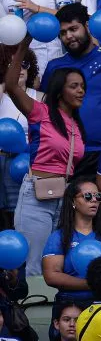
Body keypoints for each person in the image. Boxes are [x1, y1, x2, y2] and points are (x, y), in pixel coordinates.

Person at [7, 34, 84, 278]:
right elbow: (10, 86)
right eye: (74, 86)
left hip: (64, 200)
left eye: (83, 86)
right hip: (37, 196)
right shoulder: (39, 111)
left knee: (56, 265)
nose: (81, 90)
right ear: (59, 90)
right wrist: (23, 47)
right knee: (33, 267)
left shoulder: (75, 123)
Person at [44, 3, 101, 176]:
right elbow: (46, 107)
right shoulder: (54, 67)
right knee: (74, 203)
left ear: (87, 26)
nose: (69, 36)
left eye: (73, 29)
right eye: (63, 33)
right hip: (70, 152)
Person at [42, 178, 101, 337]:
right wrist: (91, 284)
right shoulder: (59, 237)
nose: (94, 200)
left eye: (98, 197)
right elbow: (51, 276)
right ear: (73, 201)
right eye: (88, 196)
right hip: (68, 307)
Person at [0, 45, 41, 229]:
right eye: (10, 65)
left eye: (23, 64)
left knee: (23, 210)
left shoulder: (40, 96)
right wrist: (4, 83)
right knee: (4, 215)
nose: (19, 69)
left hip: (28, 160)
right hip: (1, 158)